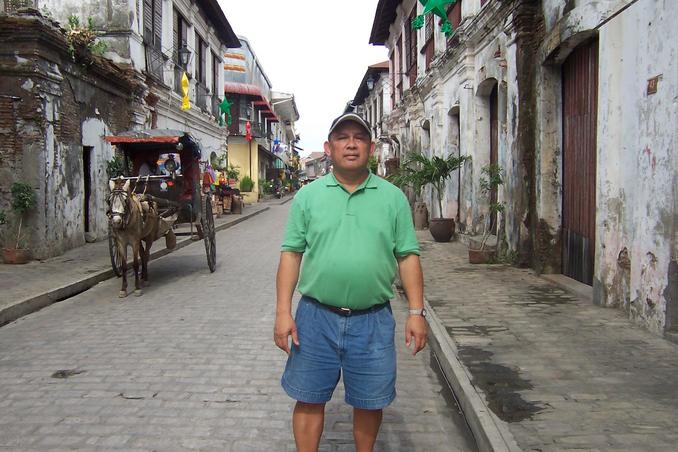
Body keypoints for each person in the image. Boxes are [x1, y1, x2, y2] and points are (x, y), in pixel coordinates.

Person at [274, 112, 427, 452]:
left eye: (359, 137)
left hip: (372, 320)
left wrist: (416, 312)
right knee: (308, 398)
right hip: (315, 318)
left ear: (371, 148)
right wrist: (283, 312)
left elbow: (408, 256)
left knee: (370, 401)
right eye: (343, 137)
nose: (352, 143)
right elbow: (291, 254)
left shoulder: (393, 198)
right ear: (329, 148)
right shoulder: (308, 197)